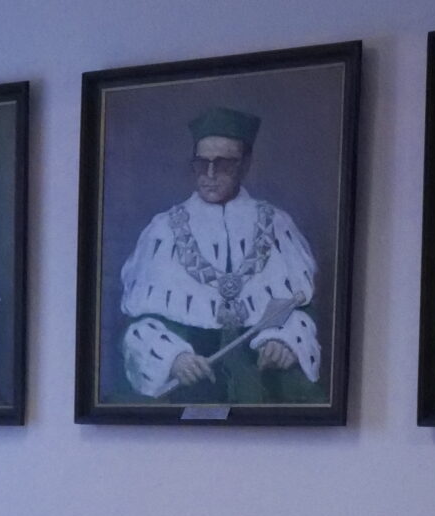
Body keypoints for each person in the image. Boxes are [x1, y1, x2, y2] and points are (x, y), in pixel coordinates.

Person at [117, 106, 323, 403]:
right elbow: (137, 323)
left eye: (223, 164)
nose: (210, 175)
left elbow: (301, 308)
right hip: (189, 386)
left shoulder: (278, 224)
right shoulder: (162, 230)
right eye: (202, 164)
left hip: (266, 384)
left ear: (245, 165)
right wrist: (172, 358)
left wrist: (286, 340)